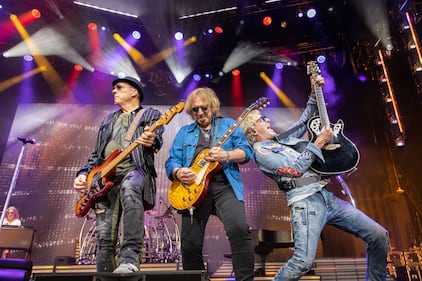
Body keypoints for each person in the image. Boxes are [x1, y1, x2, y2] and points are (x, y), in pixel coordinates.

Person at [240, 75, 389, 281]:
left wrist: (314, 91)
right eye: (261, 120)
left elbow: (304, 120)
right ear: (253, 131)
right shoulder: (261, 152)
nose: (267, 120)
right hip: (305, 204)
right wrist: (317, 143)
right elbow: (295, 170)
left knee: (378, 236)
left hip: (326, 197)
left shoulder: (282, 141)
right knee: (302, 262)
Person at [73, 76, 164, 273]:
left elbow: (156, 140)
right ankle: (104, 273)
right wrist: (83, 174)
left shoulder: (149, 114)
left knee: (130, 187)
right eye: (113, 88)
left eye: (119, 87)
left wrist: (151, 140)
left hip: (135, 171)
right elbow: (97, 154)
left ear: (134, 92)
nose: (114, 90)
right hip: (105, 180)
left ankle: (129, 260)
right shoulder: (108, 119)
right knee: (105, 234)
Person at [165, 87, 255, 281]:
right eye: (195, 109)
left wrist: (227, 155)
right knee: (189, 244)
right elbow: (172, 161)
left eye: (203, 108)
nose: (199, 113)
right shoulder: (184, 132)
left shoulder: (228, 125)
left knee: (239, 230)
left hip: (225, 186)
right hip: (193, 191)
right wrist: (179, 172)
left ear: (213, 107)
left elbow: (247, 152)